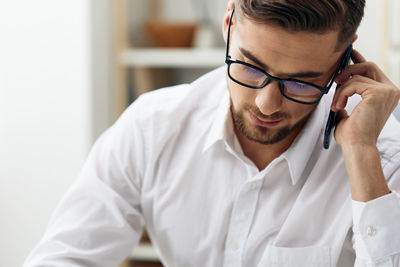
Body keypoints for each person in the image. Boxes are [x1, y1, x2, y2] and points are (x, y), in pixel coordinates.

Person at [24, 0, 400, 266]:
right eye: (251, 68)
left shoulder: (383, 158)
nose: (267, 104)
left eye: (302, 83)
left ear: (343, 63)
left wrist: (362, 154)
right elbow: (65, 255)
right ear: (228, 23)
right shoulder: (152, 128)